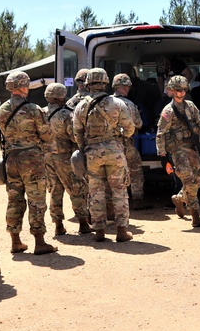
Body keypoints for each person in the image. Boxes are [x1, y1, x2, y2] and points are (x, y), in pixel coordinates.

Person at [0, 70, 57, 255]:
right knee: (36, 200)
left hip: (11, 160)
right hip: (32, 161)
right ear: (24, 87)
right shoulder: (33, 109)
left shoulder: (2, 110)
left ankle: (15, 241)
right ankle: (39, 241)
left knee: (14, 199)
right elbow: (46, 135)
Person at [73, 68, 136, 243]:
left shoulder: (81, 106)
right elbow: (130, 128)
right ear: (106, 82)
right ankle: (121, 231)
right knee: (119, 190)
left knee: (95, 192)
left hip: (92, 153)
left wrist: (84, 147)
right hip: (114, 151)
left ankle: (99, 231)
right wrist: (119, 138)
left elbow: (77, 132)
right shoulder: (117, 103)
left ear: (88, 84)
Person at [156, 75, 200, 228]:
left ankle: (179, 198)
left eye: (184, 90)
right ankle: (195, 214)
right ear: (171, 90)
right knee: (188, 179)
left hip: (193, 147)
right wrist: (162, 153)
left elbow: (199, 123)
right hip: (178, 150)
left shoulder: (190, 106)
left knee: (197, 178)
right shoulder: (168, 111)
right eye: (178, 90)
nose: (181, 93)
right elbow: (161, 132)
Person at [42, 82, 91, 237]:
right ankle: (83, 223)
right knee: (75, 188)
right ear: (61, 96)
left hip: (47, 157)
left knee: (55, 191)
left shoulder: (41, 113)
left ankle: (58, 225)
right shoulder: (65, 115)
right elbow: (73, 136)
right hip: (63, 157)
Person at [112, 73, 151, 210]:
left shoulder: (105, 103)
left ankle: (112, 205)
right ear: (127, 86)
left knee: (111, 175)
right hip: (127, 145)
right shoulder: (129, 104)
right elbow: (139, 124)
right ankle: (138, 200)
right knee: (135, 171)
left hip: (109, 146)